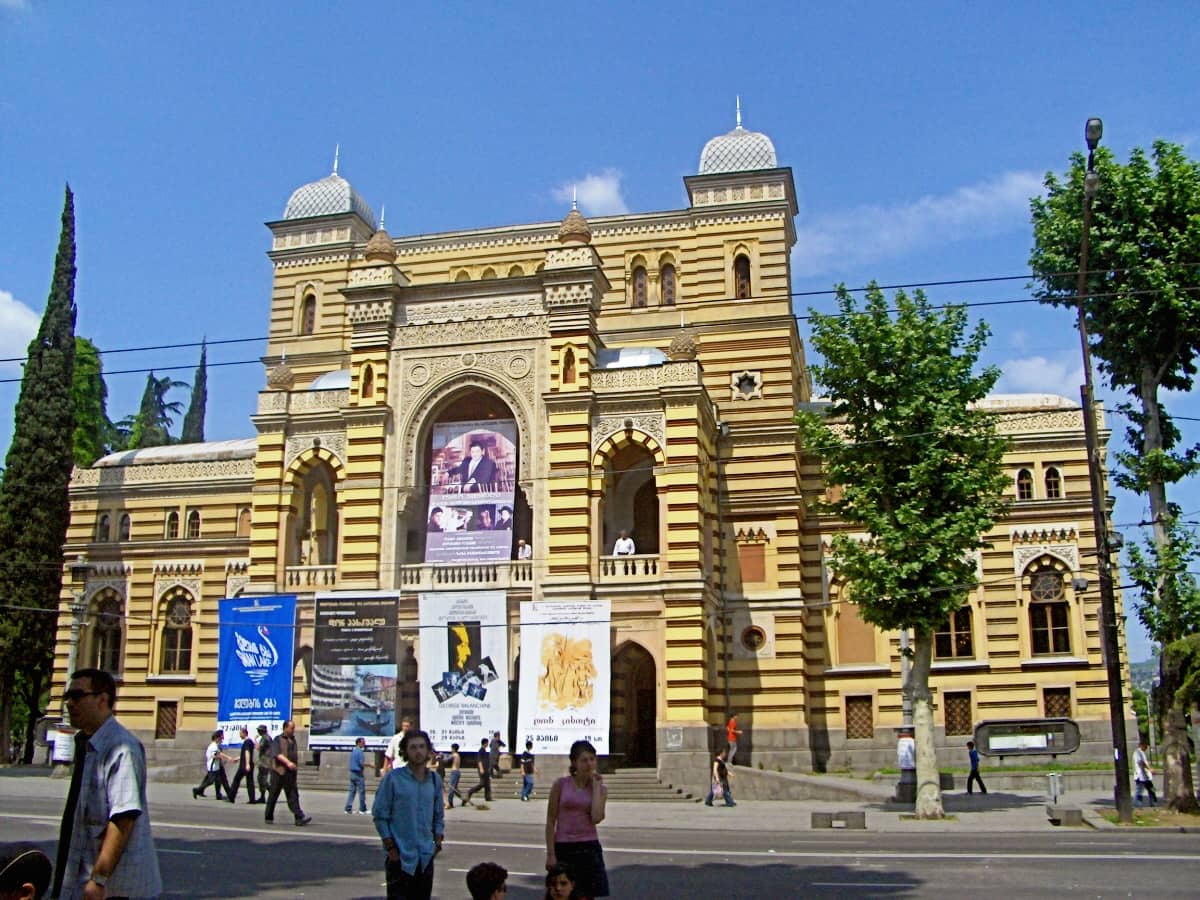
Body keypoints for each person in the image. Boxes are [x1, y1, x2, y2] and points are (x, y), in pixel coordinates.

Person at [52, 667, 162, 900]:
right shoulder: (87, 743)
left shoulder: (121, 747)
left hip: (114, 890)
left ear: (103, 699)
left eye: (77, 696)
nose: (70, 704)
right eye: (67, 697)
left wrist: (99, 878)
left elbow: (123, 818)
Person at [372, 730, 444, 900]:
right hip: (400, 858)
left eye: (422, 747)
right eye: (413, 747)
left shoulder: (434, 780)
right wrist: (390, 847)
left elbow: (438, 815)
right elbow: (380, 815)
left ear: (428, 751)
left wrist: (437, 842)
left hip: (425, 858)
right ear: (405, 751)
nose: (418, 751)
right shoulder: (393, 779)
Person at [545, 740, 609, 899]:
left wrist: (595, 789)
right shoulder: (561, 785)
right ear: (574, 762)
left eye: (592, 759)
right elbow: (551, 820)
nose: (589, 764)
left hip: (588, 848)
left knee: (585, 895)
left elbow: (596, 817)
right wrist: (551, 854)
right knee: (562, 894)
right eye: (584, 760)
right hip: (564, 846)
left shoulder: (600, 789)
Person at [264, 719, 312, 826]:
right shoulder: (278, 739)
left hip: (290, 773)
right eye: (291, 728)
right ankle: (268, 816)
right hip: (278, 772)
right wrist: (288, 763)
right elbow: (277, 754)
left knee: (293, 795)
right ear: (285, 728)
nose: (293, 730)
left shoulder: (293, 740)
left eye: (294, 728)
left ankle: (299, 818)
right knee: (273, 795)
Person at [192, 728, 235, 801]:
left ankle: (220, 794)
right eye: (221, 737)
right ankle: (197, 790)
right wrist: (229, 758)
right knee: (210, 781)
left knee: (219, 781)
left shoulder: (217, 745)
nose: (222, 739)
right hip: (213, 767)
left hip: (217, 766)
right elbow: (217, 755)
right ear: (217, 738)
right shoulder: (213, 746)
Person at [227, 726, 258, 804]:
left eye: (240, 733)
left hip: (244, 765)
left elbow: (247, 753)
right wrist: (238, 758)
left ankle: (231, 797)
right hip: (249, 764)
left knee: (236, 780)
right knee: (250, 782)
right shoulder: (250, 741)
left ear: (244, 733)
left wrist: (247, 764)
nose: (240, 735)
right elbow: (245, 753)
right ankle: (252, 799)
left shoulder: (247, 742)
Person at [464, 737, 492, 804]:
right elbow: (479, 760)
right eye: (487, 743)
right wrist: (481, 768)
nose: (488, 744)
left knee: (487, 784)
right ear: (485, 743)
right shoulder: (481, 750)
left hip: (486, 770)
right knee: (482, 784)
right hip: (482, 770)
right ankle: (470, 791)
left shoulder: (485, 751)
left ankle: (488, 797)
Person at [346, 737, 369, 814]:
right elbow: (361, 763)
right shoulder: (360, 752)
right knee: (362, 792)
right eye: (363, 742)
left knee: (352, 792)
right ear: (358, 743)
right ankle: (362, 809)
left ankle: (347, 808)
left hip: (352, 773)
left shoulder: (353, 751)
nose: (364, 744)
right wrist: (370, 765)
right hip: (358, 774)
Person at [1134, 739, 1158, 806]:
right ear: (1141, 745)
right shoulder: (1137, 753)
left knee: (1151, 789)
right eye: (1146, 746)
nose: (1147, 748)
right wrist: (1150, 769)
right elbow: (1141, 762)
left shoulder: (1142, 753)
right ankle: (1137, 804)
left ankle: (1153, 803)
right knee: (1139, 791)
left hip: (1145, 776)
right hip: (1140, 776)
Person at [254, 724, 273, 802]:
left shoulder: (265, 738)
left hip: (265, 762)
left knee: (263, 780)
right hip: (264, 761)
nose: (258, 731)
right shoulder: (267, 737)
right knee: (261, 779)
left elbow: (258, 747)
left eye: (259, 730)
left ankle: (271, 792)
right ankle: (262, 797)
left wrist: (255, 740)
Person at [445, 743, 463, 808]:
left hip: (454, 772)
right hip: (457, 772)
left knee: (451, 788)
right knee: (455, 788)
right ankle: (464, 798)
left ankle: (450, 802)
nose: (451, 750)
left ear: (453, 748)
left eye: (451, 748)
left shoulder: (454, 755)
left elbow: (447, 759)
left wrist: (440, 756)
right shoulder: (458, 755)